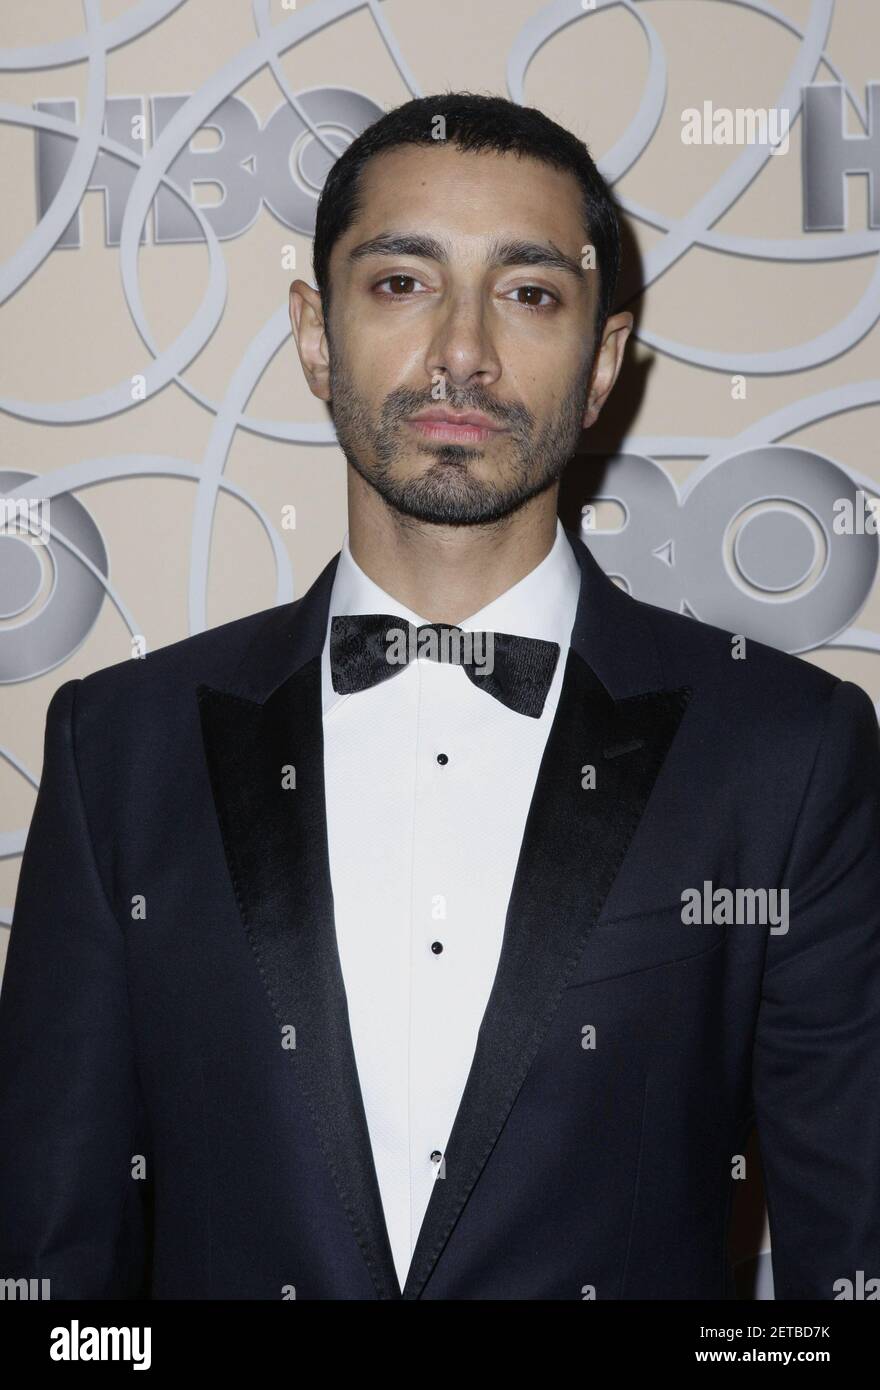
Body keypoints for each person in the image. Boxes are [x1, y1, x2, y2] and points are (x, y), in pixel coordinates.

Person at [0, 92, 878, 1301]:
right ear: (315, 334)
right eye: (402, 282)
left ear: (603, 360)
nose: (461, 351)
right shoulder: (121, 750)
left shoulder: (784, 752)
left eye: (529, 293)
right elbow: (52, 1268)